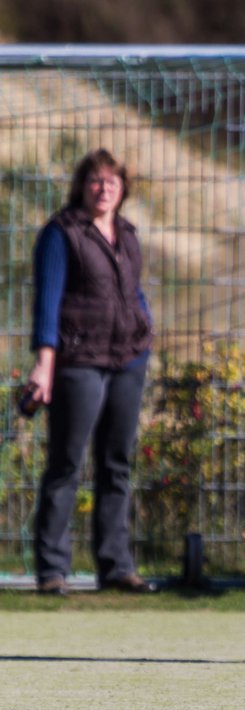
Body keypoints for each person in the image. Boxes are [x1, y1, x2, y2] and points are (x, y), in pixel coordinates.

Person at [26, 149, 154, 596]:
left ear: (123, 190)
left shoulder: (128, 235)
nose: (104, 189)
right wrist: (45, 364)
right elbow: (47, 302)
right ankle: (52, 569)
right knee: (66, 463)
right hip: (78, 363)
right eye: (96, 181)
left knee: (116, 464)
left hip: (127, 362)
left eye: (112, 182)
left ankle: (115, 566)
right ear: (82, 186)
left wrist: (145, 330)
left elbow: (133, 293)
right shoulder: (61, 235)